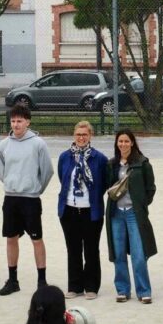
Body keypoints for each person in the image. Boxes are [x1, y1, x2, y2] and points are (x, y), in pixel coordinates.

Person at [0, 105, 55, 296]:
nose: (16, 124)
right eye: (13, 121)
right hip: (11, 198)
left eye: (20, 121)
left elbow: (47, 171)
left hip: (30, 199)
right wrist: (12, 184)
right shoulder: (4, 144)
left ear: (28, 122)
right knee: (11, 238)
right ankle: (13, 280)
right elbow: (1, 170)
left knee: (36, 239)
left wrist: (36, 189)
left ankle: (42, 280)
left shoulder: (38, 144)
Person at [56, 121, 108, 300]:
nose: (81, 138)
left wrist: (92, 198)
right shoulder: (65, 157)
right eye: (78, 134)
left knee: (91, 249)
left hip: (91, 211)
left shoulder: (99, 158)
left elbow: (104, 182)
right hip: (69, 210)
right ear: (73, 136)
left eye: (85, 134)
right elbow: (62, 179)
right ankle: (75, 285)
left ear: (90, 136)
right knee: (73, 249)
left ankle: (91, 286)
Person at [106, 129, 158, 304]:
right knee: (118, 253)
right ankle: (122, 290)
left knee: (138, 254)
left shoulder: (142, 164)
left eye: (126, 141)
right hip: (116, 214)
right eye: (120, 141)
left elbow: (151, 188)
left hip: (134, 214)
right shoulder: (112, 164)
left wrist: (141, 204)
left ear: (133, 143)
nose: (123, 144)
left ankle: (144, 290)